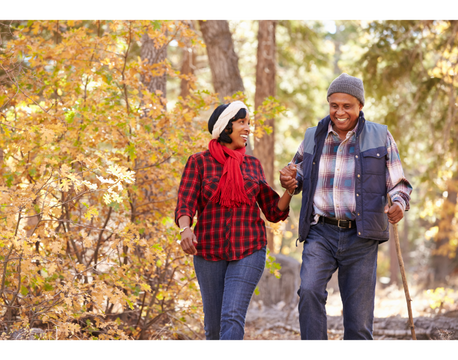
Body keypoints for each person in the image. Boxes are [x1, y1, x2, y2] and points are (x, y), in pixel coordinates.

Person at [280, 73, 413, 343]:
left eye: (347, 106)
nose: (339, 112)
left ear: (360, 106)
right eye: (334, 105)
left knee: (359, 320)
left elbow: (399, 183)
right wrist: (290, 178)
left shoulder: (380, 135)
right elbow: (299, 175)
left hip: (361, 236)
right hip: (321, 232)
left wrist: (398, 203)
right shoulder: (312, 136)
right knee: (309, 291)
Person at [175, 101, 295, 343]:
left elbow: (272, 211)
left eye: (248, 123)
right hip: (208, 252)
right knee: (213, 326)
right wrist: (186, 229)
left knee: (231, 316)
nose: (247, 128)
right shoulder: (198, 162)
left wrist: (289, 190)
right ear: (225, 127)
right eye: (242, 122)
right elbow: (185, 202)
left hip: (249, 249)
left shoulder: (252, 165)